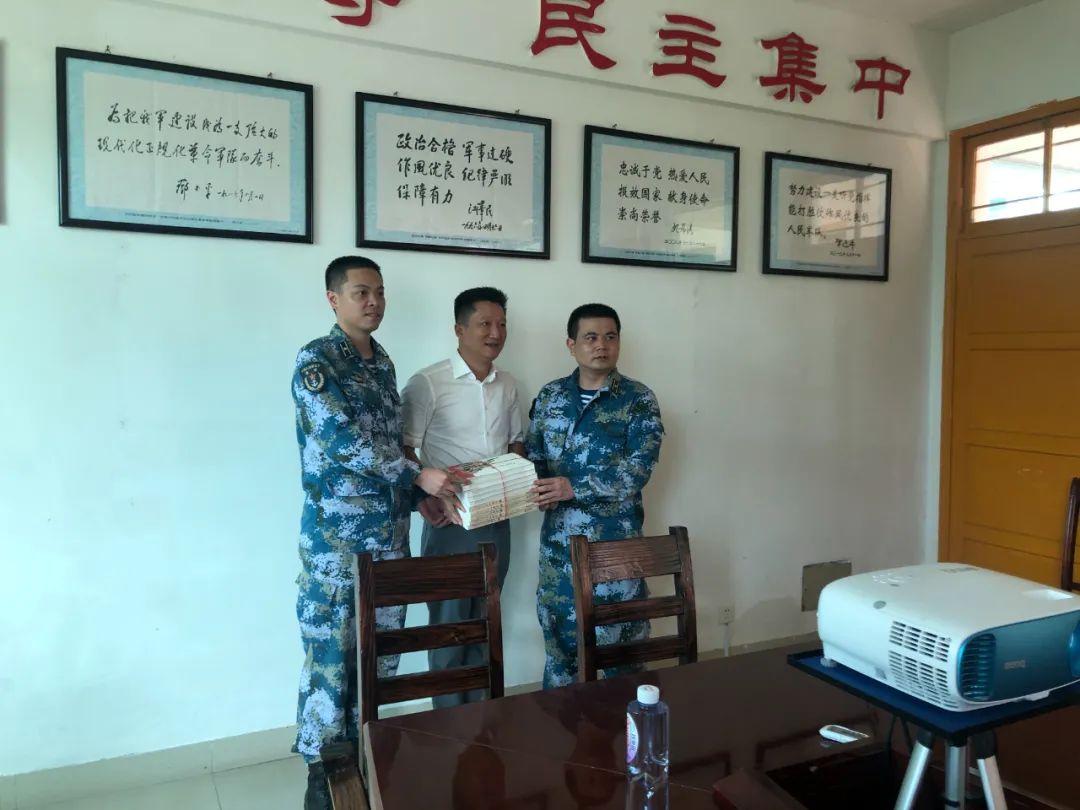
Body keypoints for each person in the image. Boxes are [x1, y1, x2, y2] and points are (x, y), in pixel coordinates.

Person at [291, 255, 467, 810]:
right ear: (333, 299)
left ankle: (364, 768)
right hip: (338, 546)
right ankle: (324, 780)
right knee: (332, 660)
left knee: (377, 656)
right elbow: (346, 443)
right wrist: (418, 476)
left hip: (389, 538)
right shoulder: (317, 362)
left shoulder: (382, 363)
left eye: (380, 292)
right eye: (361, 292)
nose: (374, 302)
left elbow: (389, 446)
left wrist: (418, 499)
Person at [526, 303, 664, 688]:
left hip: (615, 552)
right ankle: (561, 727)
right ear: (571, 345)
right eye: (590, 337)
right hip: (560, 553)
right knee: (562, 656)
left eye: (610, 336)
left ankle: (626, 728)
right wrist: (530, 486)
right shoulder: (550, 396)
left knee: (622, 658)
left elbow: (638, 471)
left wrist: (572, 486)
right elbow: (534, 458)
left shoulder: (638, 399)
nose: (601, 345)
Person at [401, 287, 525, 708]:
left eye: (502, 324)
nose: (496, 333)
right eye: (484, 324)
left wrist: (515, 479)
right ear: (459, 329)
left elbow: (516, 442)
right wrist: (423, 498)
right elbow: (404, 449)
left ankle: (481, 721)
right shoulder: (428, 382)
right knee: (449, 626)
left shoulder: (507, 384)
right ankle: (447, 723)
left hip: (497, 520)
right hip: (449, 521)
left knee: (486, 623)